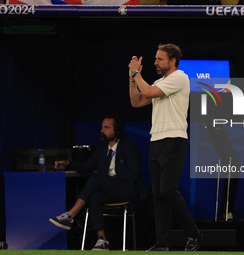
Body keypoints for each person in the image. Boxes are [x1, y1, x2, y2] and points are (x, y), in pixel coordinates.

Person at [128, 43, 202, 251]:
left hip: (174, 139)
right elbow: (136, 101)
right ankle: (162, 243)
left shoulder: (180, 78)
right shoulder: (159, 82)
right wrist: (131, 76)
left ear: (172, 61)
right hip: (156, 141)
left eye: (160, 59)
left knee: (168, 190)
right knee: (158, 195)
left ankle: (193, 233)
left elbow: (149, 92)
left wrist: (136, 73)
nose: (155, 62)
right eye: (155, 58)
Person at [49, 113, 145, 251]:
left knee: (96, 180)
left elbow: (134, 174)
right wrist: (69, 162)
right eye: (102, 127)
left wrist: (110, 180)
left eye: (106, 127)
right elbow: (86, 167)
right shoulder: (101, 149)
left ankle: (70, 216)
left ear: (116, 130)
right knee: (95, 197)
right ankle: (102, 240)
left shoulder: (129, 147)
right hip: (110, 189)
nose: (102, 130)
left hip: (128, 189)